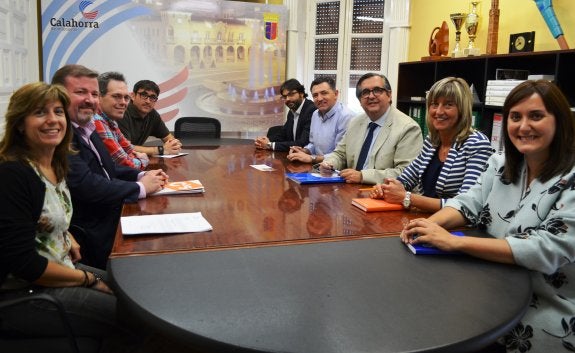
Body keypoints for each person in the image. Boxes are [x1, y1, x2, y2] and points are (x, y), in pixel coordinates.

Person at [401, 80, 575, 352]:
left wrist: (454, 242)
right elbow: (467, 202)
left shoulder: (571, 177)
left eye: (536, 116)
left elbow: (548, 248)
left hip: (545, 303)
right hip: (489, 284)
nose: (523, 126)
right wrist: (427, 225)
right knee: (417, 310)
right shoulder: (502, 164)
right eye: (515, 117)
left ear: (560, 121)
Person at [0, 82, 138, 351]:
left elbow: (43, 214)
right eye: (40, 112)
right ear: (20, 124)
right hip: (25, 291)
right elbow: (23, 263)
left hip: (59, 267)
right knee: (135, 315)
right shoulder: (13, 174)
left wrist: (67, 234)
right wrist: (89, 280)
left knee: (137, 293)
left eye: (58, 112)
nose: (53, 120)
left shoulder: (54, 162)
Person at [51, 64, 168, 270]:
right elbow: (86, 185)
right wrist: (140, 187)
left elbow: (109, 170)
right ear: (58, 96)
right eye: (80, 92)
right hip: (93, 230)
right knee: (154, 259)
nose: (90, 99)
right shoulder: (62, 135)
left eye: (94, 93)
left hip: (108, 214)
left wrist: (141, 174)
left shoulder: (86, 127)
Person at [370, 77, 494, 212]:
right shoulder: (433, 140)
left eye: (448, 105)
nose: (439, 111)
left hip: (457, 228)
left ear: (462, 110)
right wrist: (386, 188)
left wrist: (407, 198)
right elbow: (406, 180)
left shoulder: (477, 144)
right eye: (434, 104)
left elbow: (466, 204)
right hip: (426, 219)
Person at [320, 72, 422, 185]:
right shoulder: (355, 122)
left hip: (384, 195)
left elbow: (406, 173)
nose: (371, 96)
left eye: (377, 90)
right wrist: (329, 163)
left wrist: (363, 176)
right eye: (365, 92)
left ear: (389, 95)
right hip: (351, 189)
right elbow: (340, 154)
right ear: (360, 101)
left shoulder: (408, 128)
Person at [287, 76, 354, 164]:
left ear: (336, 94)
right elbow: (313, 144)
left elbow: (341, 155)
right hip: (317, 168)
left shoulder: (346, 117)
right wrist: (304, 151)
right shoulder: (315, 114)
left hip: (336, 170)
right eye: (315, 95)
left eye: (324, 93)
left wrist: (312, 158)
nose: (319, 98)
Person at [95, 71, 149, 170]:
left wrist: (133, 158)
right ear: (99, 97)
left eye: (126, 97)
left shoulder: (111, 120)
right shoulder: (97, 120)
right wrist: (143, 161)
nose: (124, 103)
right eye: (116, 96)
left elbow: (128, 149)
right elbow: (124, 163)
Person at [118, 79, 182, 156]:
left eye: (152, 97)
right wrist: (160, 149)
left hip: (135, 160)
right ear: (133, 96)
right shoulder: (122, 113)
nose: (148, 101)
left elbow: (168, 137)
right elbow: (125, 147)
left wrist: (174, 145)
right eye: (144, 95)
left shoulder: (152, 114)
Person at [254, 78, 316, 151]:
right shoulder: (292, 111)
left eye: (291, 94)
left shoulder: (311, 110)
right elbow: (283, 134)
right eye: (284, 97)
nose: (287, 99)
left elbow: (303, 143)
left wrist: (270, 145)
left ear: (301, 93)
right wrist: (265, 141)